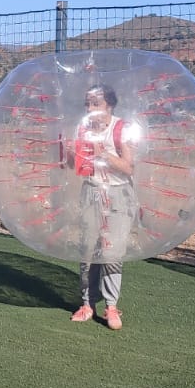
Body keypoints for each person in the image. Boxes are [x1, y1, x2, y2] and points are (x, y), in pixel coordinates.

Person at [64, 85, 141, 330]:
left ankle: (111, 306)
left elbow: (129, 168)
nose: (90, 109)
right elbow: (74, 166)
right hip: (91, 191)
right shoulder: (82, 128)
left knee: (111, 252)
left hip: (118, 195)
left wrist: (103, 153)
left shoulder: (122, 129)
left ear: (109, 105)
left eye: (95, 103)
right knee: (88, 250)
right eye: (87, 104)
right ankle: (87, 304)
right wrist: (68, 153)